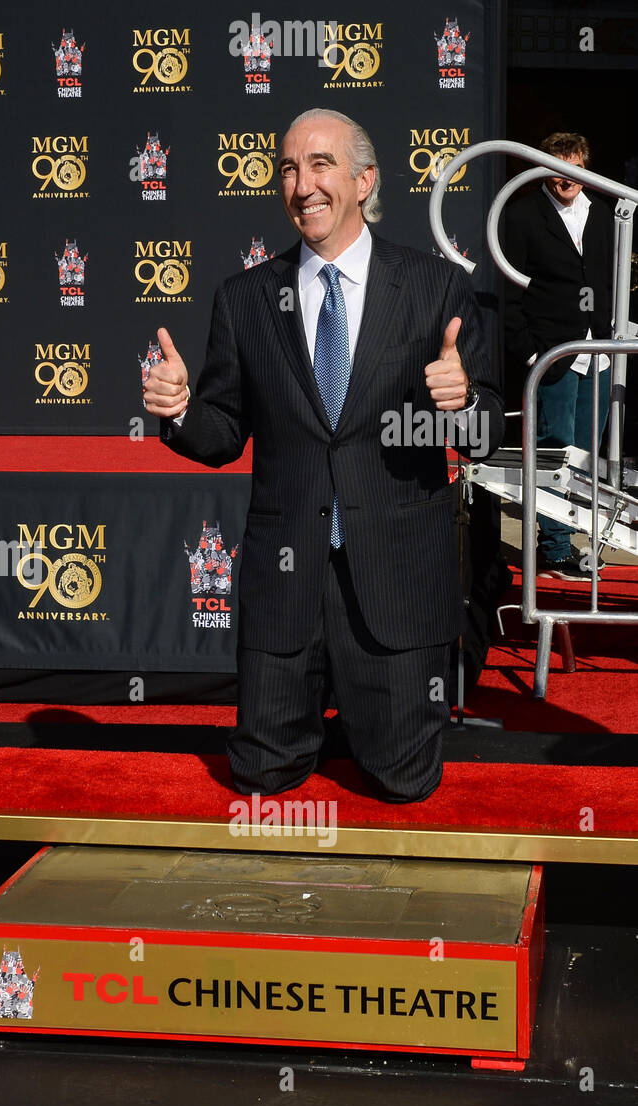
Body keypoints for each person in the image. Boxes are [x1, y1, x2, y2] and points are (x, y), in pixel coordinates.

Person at [143, 108, 503, 803]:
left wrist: (462, 405)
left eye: (320, 164)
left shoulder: (436, 288)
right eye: (287, 167)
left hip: (397, 586)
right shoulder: (245, 299)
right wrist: (182, 408)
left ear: (364, 180)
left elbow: (487, 431)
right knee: (260, 778)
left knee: (403, 783)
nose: (301, 183)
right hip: (287, 587)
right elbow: (223, 433)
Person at [503, 132, 614, 580]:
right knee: (554, 452)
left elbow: (612, 280)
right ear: (542, 169)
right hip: (554, 354)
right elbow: (509, 291)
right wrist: (530, 351)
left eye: (575, 167)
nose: (567, 177)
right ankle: (552, 546)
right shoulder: (522, 216)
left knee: (588, 455)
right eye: (558, 166)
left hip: (601, 352)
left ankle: (578, 542)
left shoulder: (607, 215)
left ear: (586, 170)